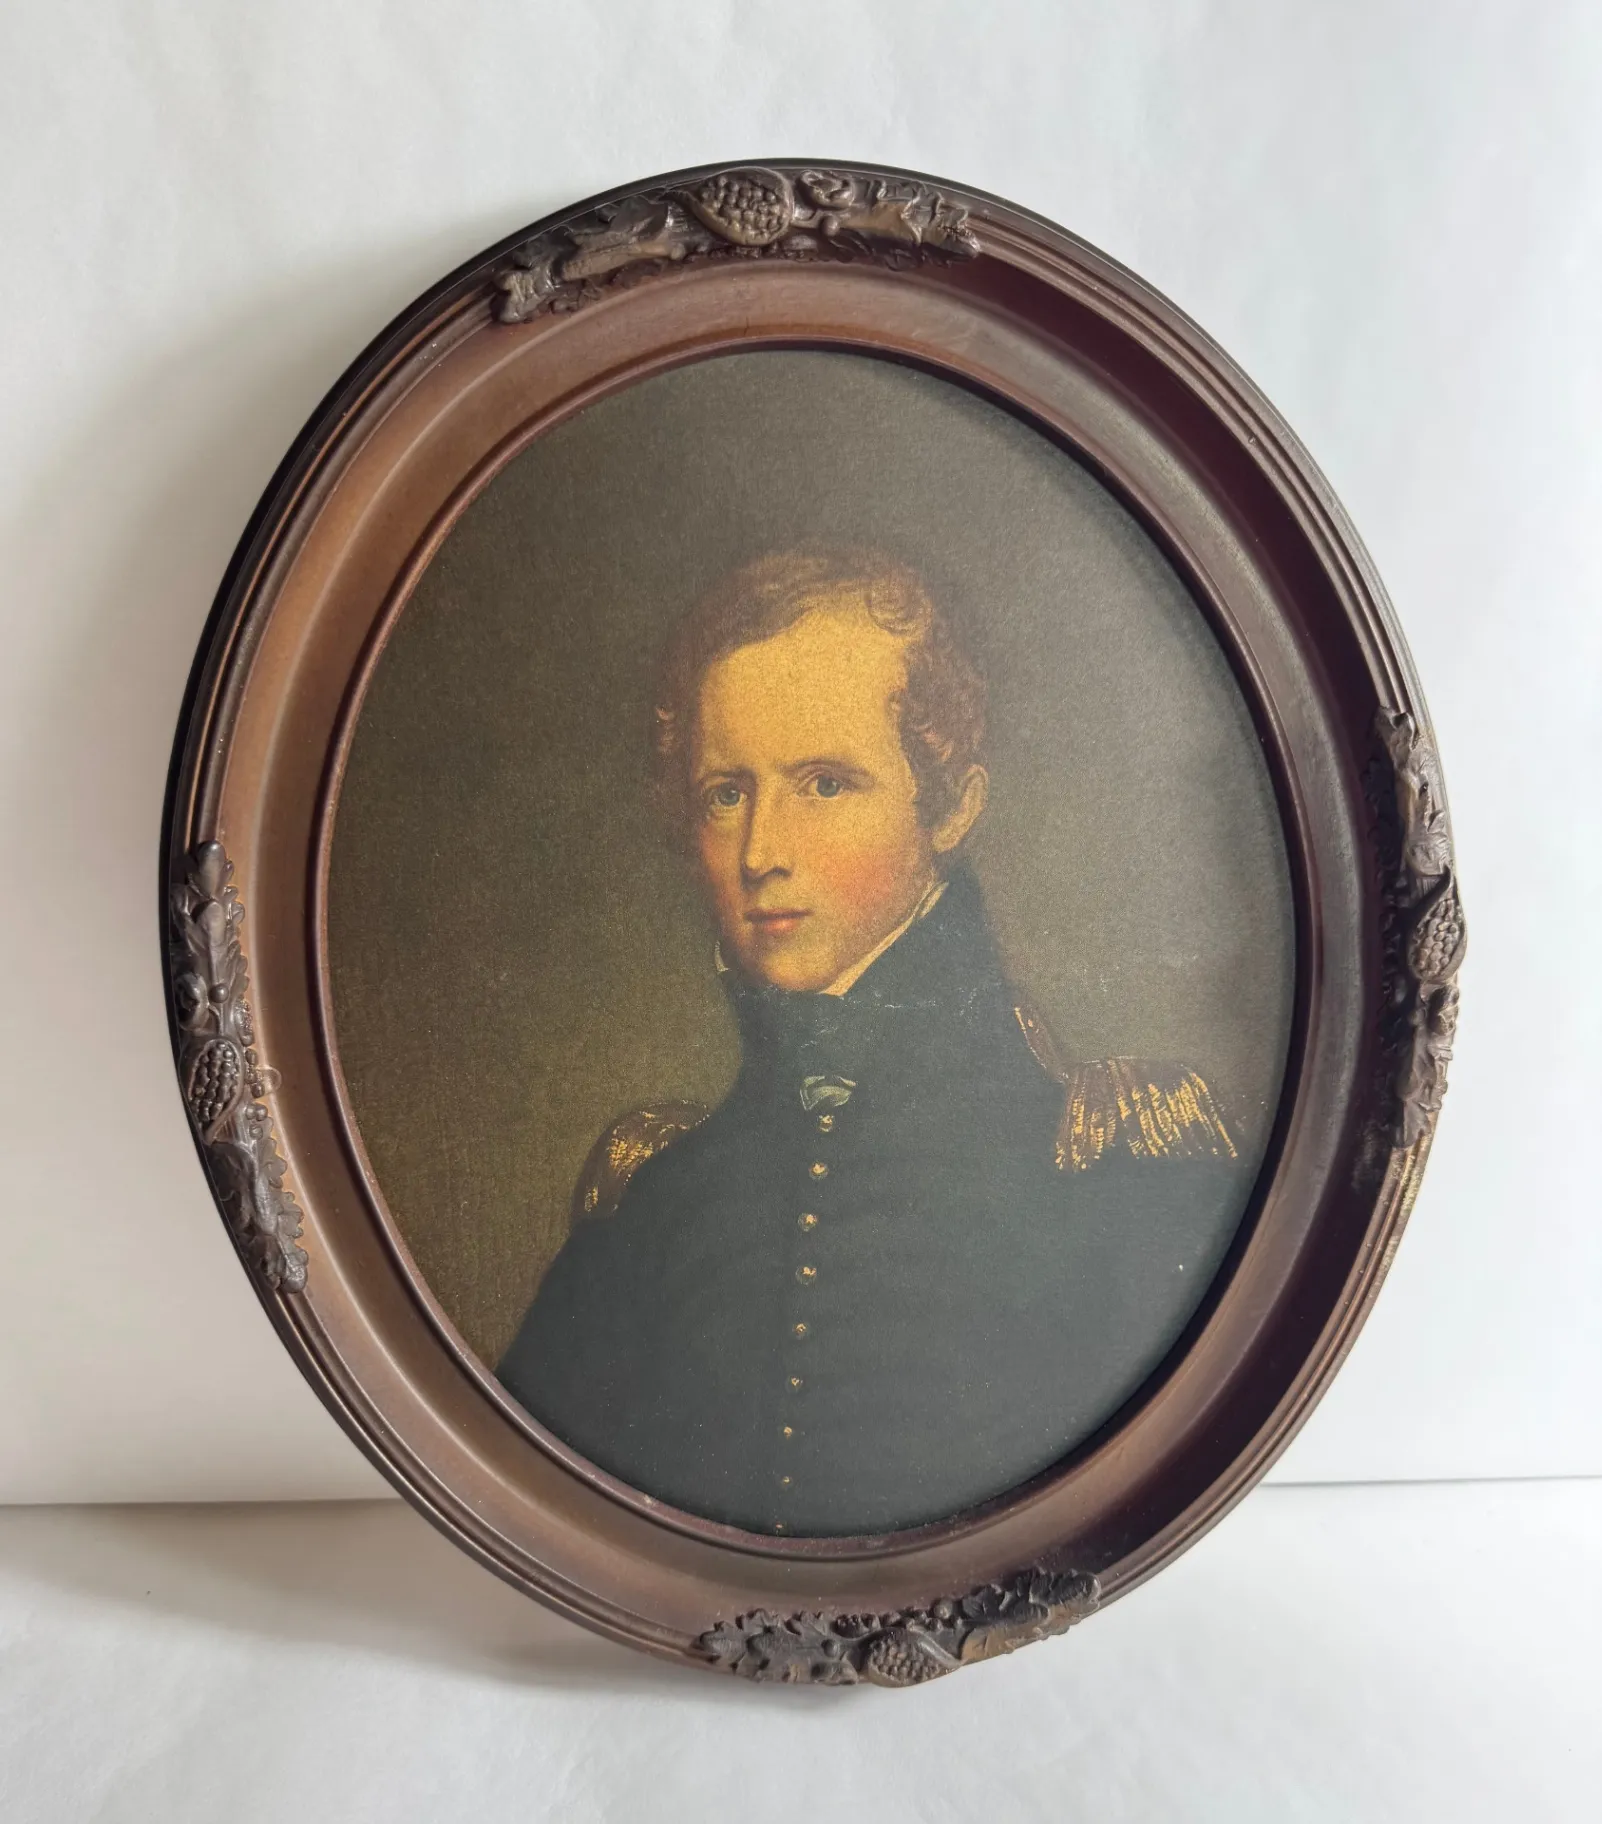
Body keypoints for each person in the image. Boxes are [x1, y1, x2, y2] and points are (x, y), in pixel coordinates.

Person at [498, 550, 1249, 1536]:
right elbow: (538, 1509)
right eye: (726, 793)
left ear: (951, 806)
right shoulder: (656, 1201)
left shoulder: (1118, 1162)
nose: (762, 851)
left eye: (824, 784)